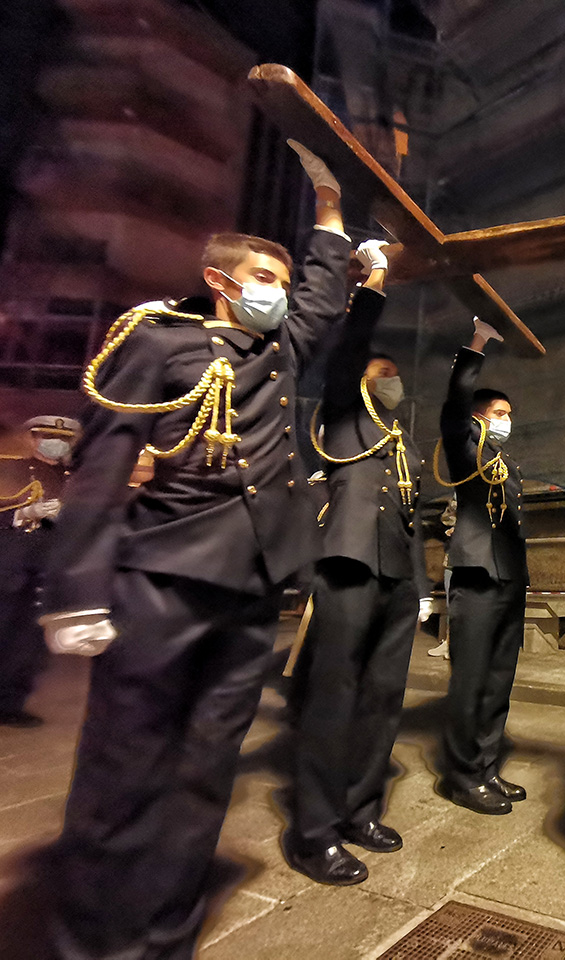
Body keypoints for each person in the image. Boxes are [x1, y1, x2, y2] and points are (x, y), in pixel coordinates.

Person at [37, 140, 353, 960]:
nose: (279, 300)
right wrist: (77, 590)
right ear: (221, 281)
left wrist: (328, 211)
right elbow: (104, 467)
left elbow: (326, 292)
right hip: (163, 579)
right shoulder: (159, 341)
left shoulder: (277, 353)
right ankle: (88, 940)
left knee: (204, 771)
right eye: (264, 283)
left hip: (251, 585)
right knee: (123, 769)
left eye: (281, 287)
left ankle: (163, 937)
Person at [284, 240, 434, 885]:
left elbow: (412, 519)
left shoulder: (401, 442)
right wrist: (374, 281)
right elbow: (348, 353)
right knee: (333, 696)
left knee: (383, 697)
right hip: (346, 561)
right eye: (383, 371)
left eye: (395, 374)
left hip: (396, 573)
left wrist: (424, 587)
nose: (391, 380)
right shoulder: (342, 411)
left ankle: (360, 809)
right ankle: (314, 830)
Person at [435, 317, 527, 815]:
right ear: (477, 418)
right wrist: (476, 344)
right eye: (498, 412)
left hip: (509, 578)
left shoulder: (507, 463)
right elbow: (453, 406)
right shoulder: (464, 445)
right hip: (474, 575)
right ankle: (461, 777)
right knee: (470, 681)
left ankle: (486, 768)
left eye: (510, 412)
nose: (507, 419)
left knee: (498, 680)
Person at [0, 416, 78, 726]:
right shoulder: (9, 468)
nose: (56, 443)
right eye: (46, 436)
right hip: (9, 564)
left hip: (47, 568)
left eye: (64, 439)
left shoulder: (71, 477)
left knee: (29, 641)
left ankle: (10, 701)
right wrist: (21, 514)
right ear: (32, 439)